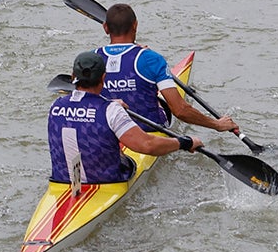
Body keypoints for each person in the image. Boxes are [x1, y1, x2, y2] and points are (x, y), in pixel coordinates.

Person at [48, 50, 202, 188]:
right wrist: (185, 142)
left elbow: (85, 108)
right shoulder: (111, 110)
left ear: (73, 77)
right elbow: (148, 145)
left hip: (62, 181)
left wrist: (109, 104)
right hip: (108, 181)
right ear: (103, 77)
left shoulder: (55, 106)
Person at [96, 3, 243, 141]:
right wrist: (217, 124)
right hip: (148, 130)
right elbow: (180, 111)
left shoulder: (90, 59)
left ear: (105, 28)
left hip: (106, 131)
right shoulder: (151, 59)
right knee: (157, 95)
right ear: (135, 25)